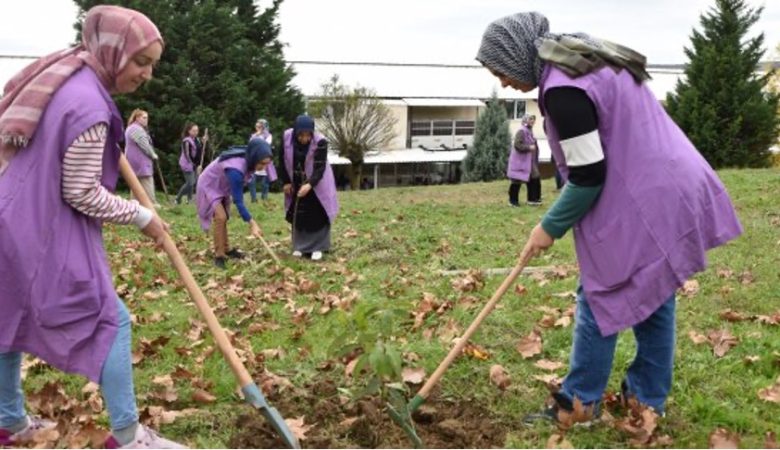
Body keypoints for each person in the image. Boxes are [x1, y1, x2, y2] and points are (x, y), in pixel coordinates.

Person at [476, 12, 742, 422]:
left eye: (500, 70)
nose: (503, 82)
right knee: (654, 291)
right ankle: (645, 400)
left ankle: (579, 402)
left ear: (515, 55)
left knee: (599, 293)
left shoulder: (565, 90)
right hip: (669, 181)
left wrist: (548, 227)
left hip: (645, 195)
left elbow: (587, 176)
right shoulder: (586, 60)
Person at [0, 5, 185, 449]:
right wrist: (144, 217)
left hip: (10, 218)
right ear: (113, 51)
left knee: (4, 319)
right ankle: (126, 435)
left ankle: (7, 423)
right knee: (111, 320)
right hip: (38, 232)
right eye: (141, 62)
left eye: (152, 65)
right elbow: (81, 193)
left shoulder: (65, 77)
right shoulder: (88, 106)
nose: (147, 75)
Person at [196, 138, 271, 269]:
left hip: (221, 185)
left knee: (226, 215)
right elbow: (238, 201)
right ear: (254, 158)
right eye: (262, 163)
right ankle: (219, 255)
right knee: (220, 217)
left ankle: (226, 249)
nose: (263, 167)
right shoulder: (235, 170)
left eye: (266, 164)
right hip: (209, 185)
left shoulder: (248, 159)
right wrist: (252, 223)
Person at [279, 115, 339, 261]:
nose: (304, 139)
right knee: (298, 213)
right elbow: (281, 159)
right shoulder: (287, 137)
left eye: (308, 135)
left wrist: (310, 184)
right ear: (296, 133)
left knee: (317, 213)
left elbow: (320, 168)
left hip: (318, 181)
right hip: (296, 179)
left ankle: (318, 247)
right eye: (301, 135)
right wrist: (286, 181)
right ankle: (300, 246)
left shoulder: (320, 142)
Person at [124, 109, 159, 206]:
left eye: (147, 118)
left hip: (133, 160)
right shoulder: (136, 129)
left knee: (135, 182)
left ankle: (134, 203)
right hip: (140, 160)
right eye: (144, 118)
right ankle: (152, 203)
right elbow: (144, 144)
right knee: (147, 180)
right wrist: (153, 154)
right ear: (137, 118)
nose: (146, 120)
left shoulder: (132, 128)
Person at [507, 114, 542, 206]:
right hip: (520, 161)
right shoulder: (521, 131)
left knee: (534, 178)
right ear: (525, 120)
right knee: (516, 181)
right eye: (530, 119)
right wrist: (529, 147)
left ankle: (533, 199)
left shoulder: (529, 131)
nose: (532, 121)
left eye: (534, 119)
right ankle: (513, 201)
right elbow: (517, 145)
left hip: (529, 161)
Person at [175, 122, 205, 204]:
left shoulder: (197, 139)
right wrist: (195, 165)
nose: (196, 132)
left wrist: (203, 142)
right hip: (187, 164)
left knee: (193, 182)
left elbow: (199, 149)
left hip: (195, 164)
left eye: (197, 130)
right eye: (194, 131)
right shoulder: (186, 141)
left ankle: (189, 199)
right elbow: (187, 155)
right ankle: (178, 198)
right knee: (191, 182)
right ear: (189, 131)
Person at [248, 119, 277, 202]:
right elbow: (250, 144)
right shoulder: (253, 136)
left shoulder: (268, 135)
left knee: (265, 184)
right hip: (255, 161)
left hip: (264, 162)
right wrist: (256, 136)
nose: (257, 128)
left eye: (259, 126)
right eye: (257, 126)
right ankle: (253, 199)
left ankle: (264, 198)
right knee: (251, 181)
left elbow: (266, 145)